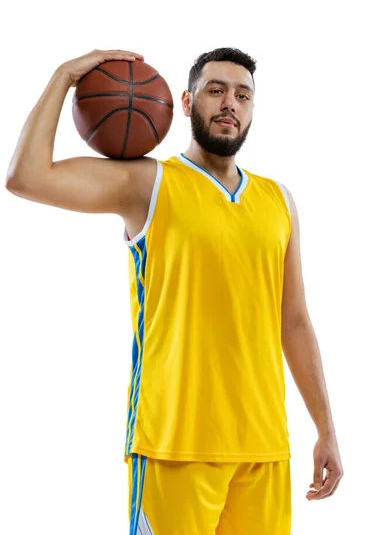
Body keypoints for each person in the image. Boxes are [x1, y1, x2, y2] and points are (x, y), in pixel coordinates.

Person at [5, 47, 344, 534]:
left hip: (263, 449)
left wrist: (326, 429)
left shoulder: (278, 200)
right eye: (216, 90)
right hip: (173, 446)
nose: (230, 103)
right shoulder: (149, 183)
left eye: (242, 95)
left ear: (252, 109)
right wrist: (64, 76)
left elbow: (293, 321)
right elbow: (25, 177)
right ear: (186, 102)